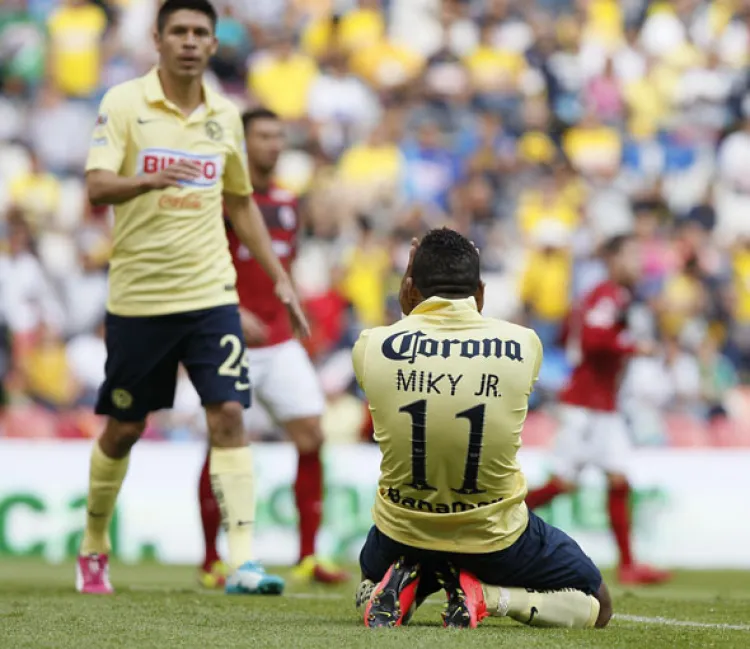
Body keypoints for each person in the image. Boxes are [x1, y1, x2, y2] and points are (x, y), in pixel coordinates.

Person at [77, 0, 308, 596]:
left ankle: (244, 561)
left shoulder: (225, 116)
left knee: (230, 415)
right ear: (157, 39)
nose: (188, 41)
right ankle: (94, 544)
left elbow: (239, 201)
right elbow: (97, 184)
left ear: (212, 43)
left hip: (211, 295)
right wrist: (145, 180)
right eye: (178, 30)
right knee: (125, 427)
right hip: (140, 298)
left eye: (200, 32)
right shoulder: (124, 104)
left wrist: (280, 277)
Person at [352, 228, 612, 630]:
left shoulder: (371, 345)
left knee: (372, 573)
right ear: (481, 292)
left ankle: (408, 581)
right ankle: (488, 597)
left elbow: (411, 343)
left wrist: (410, 293)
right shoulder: (524, 344)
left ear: (408, 288)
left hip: (398, 535)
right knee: (598, 602)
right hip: (493, 538)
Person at [197, 108, 348, 587]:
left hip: (279, 341)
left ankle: (306, 555)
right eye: (263, 136)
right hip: (228, 337)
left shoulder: (286, 201)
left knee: (312, 436)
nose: (273, 144)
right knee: (222, 441)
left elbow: (283, 266)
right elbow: (198, 263)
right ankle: (211, 561)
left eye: (279, 136)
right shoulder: (219, 200)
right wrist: (230, 309)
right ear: (241, 143)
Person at [525, 234, 671, 586]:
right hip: (586, 407)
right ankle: (493, 522)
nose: (638, 265)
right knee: (563, 484)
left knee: (618, 479)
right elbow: (591, 339)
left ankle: (628, 564)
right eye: (632, 256)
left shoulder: (615, 296)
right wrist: (635, 346)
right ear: (615, 259)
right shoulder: (606, 294)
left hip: (603, 407)